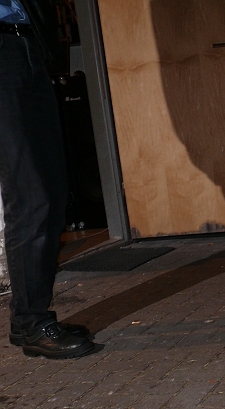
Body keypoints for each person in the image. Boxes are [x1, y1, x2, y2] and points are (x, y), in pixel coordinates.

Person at [0, 0, 95, 358]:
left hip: (28, 43)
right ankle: (32, 322)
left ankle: (25, 319)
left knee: (53, 194)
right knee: (30, 196)